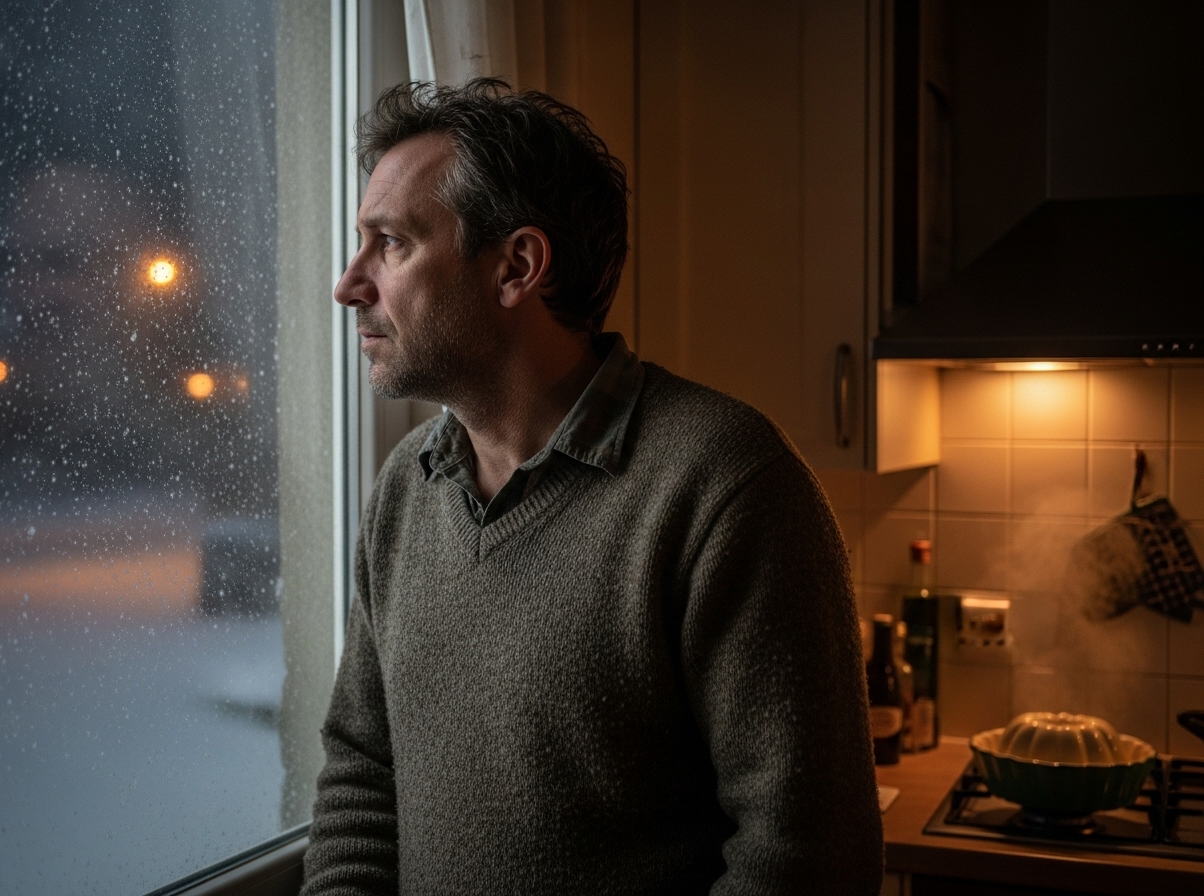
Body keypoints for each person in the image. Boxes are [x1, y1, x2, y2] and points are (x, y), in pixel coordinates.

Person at [300, 79, 883, 895]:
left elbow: (807, 858)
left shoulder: (726, 485)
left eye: (390, 243)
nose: (349, 284)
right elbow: (364, 767)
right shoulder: (407, 486)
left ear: (518, 267)